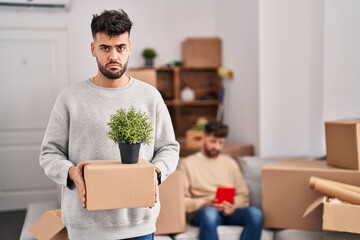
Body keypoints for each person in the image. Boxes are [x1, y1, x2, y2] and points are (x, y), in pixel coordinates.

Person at [39, 9, 179, 240]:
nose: (114, 56)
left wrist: (157, 171)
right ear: (93, 49)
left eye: (120, 47)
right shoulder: (70, 98)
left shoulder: (150, 96)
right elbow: (49, 153)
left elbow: (169, 148)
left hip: (139, 225)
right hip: (86, 227)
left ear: (130, 47)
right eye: (105, 48)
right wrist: (71, 172)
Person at [178, 120, 263, 240]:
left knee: (256, 214)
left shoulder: (230, 163)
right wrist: (205, 203)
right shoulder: (187, 164)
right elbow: (181, 201)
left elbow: (244, 195)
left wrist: (232, 205)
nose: (216, 147)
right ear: (204, 137)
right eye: (213, 141)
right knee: (210, 213)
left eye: (221, 143)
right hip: (203, 211)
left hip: (229, 210)